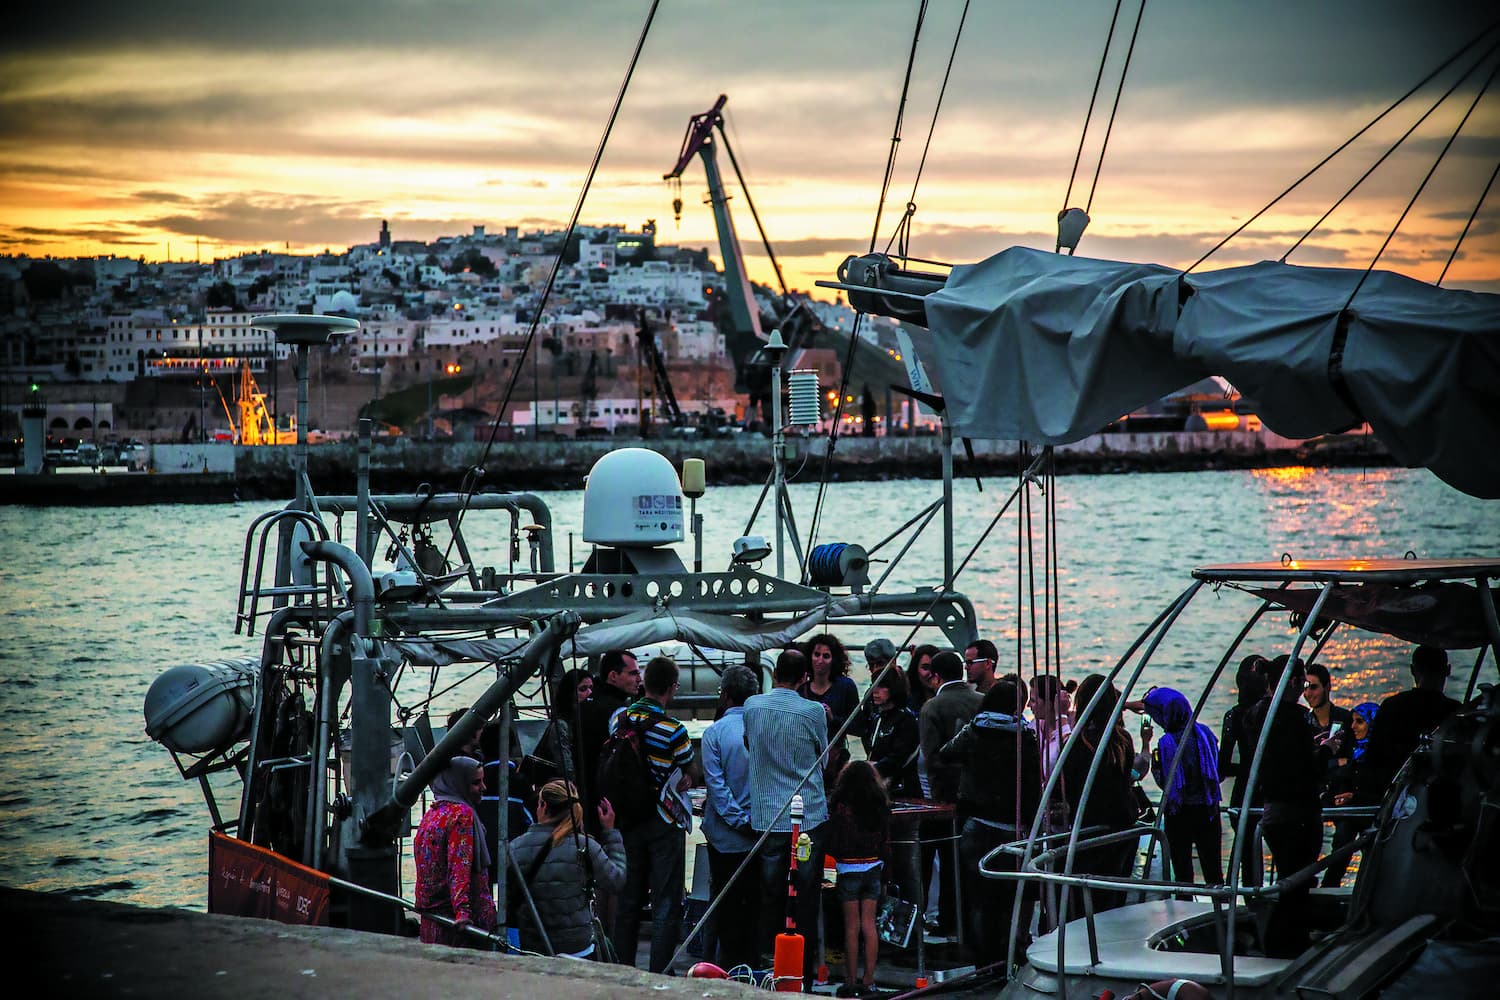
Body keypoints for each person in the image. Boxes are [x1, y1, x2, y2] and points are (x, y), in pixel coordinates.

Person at [742, 647, 829, 988]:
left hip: (766, 815)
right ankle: (801, 973)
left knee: (769, 895)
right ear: (805, 677)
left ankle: (768, 966)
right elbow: (822, 759)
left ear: (774, 674)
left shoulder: (752, 706)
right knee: (804, 895)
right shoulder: (812, 712)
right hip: (807, 816)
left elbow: (751, 745)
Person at [941, 676, 1042, 966]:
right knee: (1010, 897)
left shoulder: (974, 731)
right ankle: (1008, 955)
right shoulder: (1025, 736)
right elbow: (1034, 785)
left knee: (979, 897)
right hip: (1013, 828)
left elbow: (946, 754)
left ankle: (982, 960)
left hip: (977, 823)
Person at [610, 655, 697, 974]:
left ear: (644, 682)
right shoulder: (674, 730)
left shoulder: (619, 718)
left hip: (628, 819)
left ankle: (622, 969)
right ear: (672, 688)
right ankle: (661, 970)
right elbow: (689, 769)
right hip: (663, 820)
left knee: (629, 899)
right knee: (665, 900)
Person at [1246, 654, 1322, 957]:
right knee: (1297, 886)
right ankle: (1284, 947)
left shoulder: (1256, 714)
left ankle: (1282, 944)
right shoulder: (1296, 717)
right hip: (1298, 811)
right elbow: (1307, 767)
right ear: (1292, 682)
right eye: (1302, 681)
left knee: (1288, 880)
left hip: (1272, 810)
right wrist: (1326, 751)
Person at [508, 779, 626, 958]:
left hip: (534, 948)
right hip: (578, 948)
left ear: (543, 805)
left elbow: (508, 899)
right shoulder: (585, 845)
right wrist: (611, 832)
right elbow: (616, 880)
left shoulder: (515, 848)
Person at [1059, 674, 1139, 912]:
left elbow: (1068, 786)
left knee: (1086, 897)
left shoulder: (1076, 743)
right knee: (1114, 894)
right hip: (1122, 824)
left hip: (1089, 827)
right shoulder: (1122, 740)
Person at [699, 664, 760, 971]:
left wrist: (737, 819)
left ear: (724, 696)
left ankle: (722, 963)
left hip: (725, 837)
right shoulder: (763, 730)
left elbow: (716, 786)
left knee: (725, 905)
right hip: (760, 833)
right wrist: (753, 819)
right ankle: (750, 964)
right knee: (755, 906)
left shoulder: (714, 733)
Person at [917, 650, 982, 936]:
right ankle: (967, 919)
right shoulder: (980, 701)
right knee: (967, 861)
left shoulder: (932, 707)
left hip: (944, 798)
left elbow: (932, 757)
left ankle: (944, 920)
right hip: (978, 795)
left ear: (936, 675)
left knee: (941, 856)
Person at [1139, 687, 1223, 887]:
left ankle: (1186, 910)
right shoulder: (1205, 734)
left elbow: (1165, 782)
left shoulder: (1166, 742)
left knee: (1182, 873)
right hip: (1208, 809)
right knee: (1214, 870)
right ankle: (1222, 912)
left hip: (1179, 813)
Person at [1359, 645, 1461, 803]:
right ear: (1448, 670)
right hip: (1444, 800)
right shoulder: (1457, 712)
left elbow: (1373, 761)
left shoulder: (1391, 707)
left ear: (1413, 670)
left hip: (1393, 799)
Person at [414, 755, 495, 947]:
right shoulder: (462, 815)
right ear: (459, 784)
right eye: (476, 783)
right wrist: (463, 913)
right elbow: (460, 866)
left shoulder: (432, 815)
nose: (483, 788)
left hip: (432, 921)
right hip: (458, 927)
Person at [827, 760, 892, 998]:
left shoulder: (841, 806)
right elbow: (887, 844)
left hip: (848, 869)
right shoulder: (880, 804)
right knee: (869, 925)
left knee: (851, 927)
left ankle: (850, 980)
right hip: (874, 866)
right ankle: (869, 980)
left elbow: (834, 841)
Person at [1218, 656, 1269, 886]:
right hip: (1269, 788)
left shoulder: (1234, 715)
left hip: (1244, 792)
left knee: (1245, 851)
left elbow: (1223, 766)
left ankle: (1243, 900)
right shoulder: (1273, 713)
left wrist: (1246, 768)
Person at [1321, 700, 1380, 888]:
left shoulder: (1378, 756)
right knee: (1341, 846)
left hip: (1369, 813)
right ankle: (1329, 887)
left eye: (1360, 722)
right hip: (1348, 812)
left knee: (1372, 855)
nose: (1353, 726)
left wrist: (1354, 797)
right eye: (1353, 721)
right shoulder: (1351, 751)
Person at [579, 650, 641, 810]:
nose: (639, 680)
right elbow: (623, 762)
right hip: (606, 804)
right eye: (633, 674)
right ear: (613, 676)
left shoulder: (585, 703)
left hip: (582, 795)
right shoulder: (618, 712)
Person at [799, 633, 861, 749]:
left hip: (835, 755)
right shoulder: (801, 689)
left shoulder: (846, 686)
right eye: (816, 655)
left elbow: (858, 727)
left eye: (826, 656)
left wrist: (833, 719)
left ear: (834, 660)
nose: (820, 660)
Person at [865, 669, 921, 798]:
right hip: (879, 785)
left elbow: (899, 756)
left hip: (901, 788)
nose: (875, 690)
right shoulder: (877, 718)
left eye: (882, 686)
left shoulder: (906, 719)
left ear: (894, 688)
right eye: (874, 684)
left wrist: (871, 771)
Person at [850, 637, 901, 744]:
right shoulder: (870, 695)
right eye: (871, 665)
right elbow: (864, 729)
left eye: (880, 664)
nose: (875, 670)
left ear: (894, 662)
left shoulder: (905, 690)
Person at [1030, 674, 1073, 778]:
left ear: (1050, 704)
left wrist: (1061, 715)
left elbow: (1068, 753)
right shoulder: (1034, 726)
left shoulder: (1071, 728)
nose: (1028, 705)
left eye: (1033, 701)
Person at [905, 643, 939, 714]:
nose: (931, 673)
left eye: (935, 667)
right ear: (915, 669)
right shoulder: (906, 702)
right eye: (925, 668)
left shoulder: (950, 700)